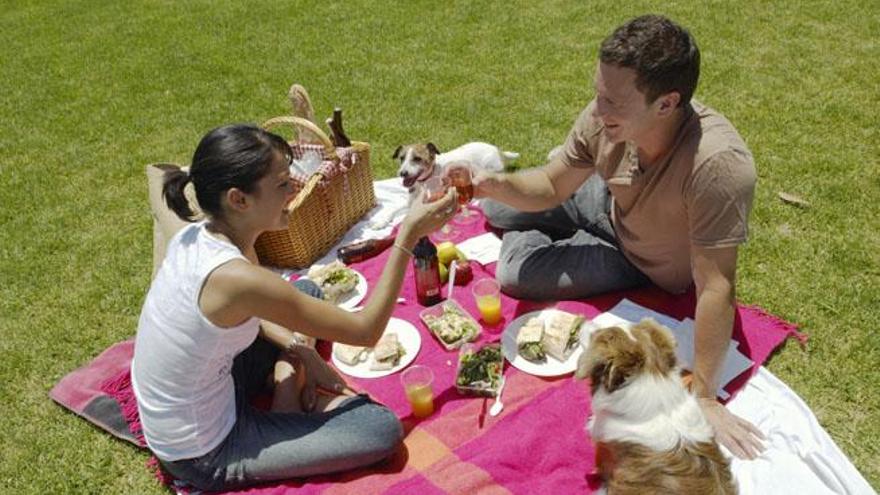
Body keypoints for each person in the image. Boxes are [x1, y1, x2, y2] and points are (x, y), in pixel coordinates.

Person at [450, 15, 764, 459]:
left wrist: (707, 397)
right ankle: (537, 219)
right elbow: (553, 184)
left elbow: (716, 286)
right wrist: (485, 182)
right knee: (498, 203)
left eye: (612, 100)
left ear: (666, 104)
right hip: (606, 202)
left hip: (639, 262)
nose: (597, 110)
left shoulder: (717, 167)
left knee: (513, 275)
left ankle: (544, 231)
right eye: (598, 92)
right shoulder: (607, 118)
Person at [131, 124, 458, 491]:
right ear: (239, 199)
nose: (297, 189)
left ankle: (287, 380)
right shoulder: (235, 278)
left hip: (213, 381)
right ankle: (284, 403)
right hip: (203, 452)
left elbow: (256, 313)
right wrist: (407, 236)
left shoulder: (200, 234)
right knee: (379, 429)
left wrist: (300, 350)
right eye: (283, 184)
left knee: (306, 291)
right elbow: (367, 331)